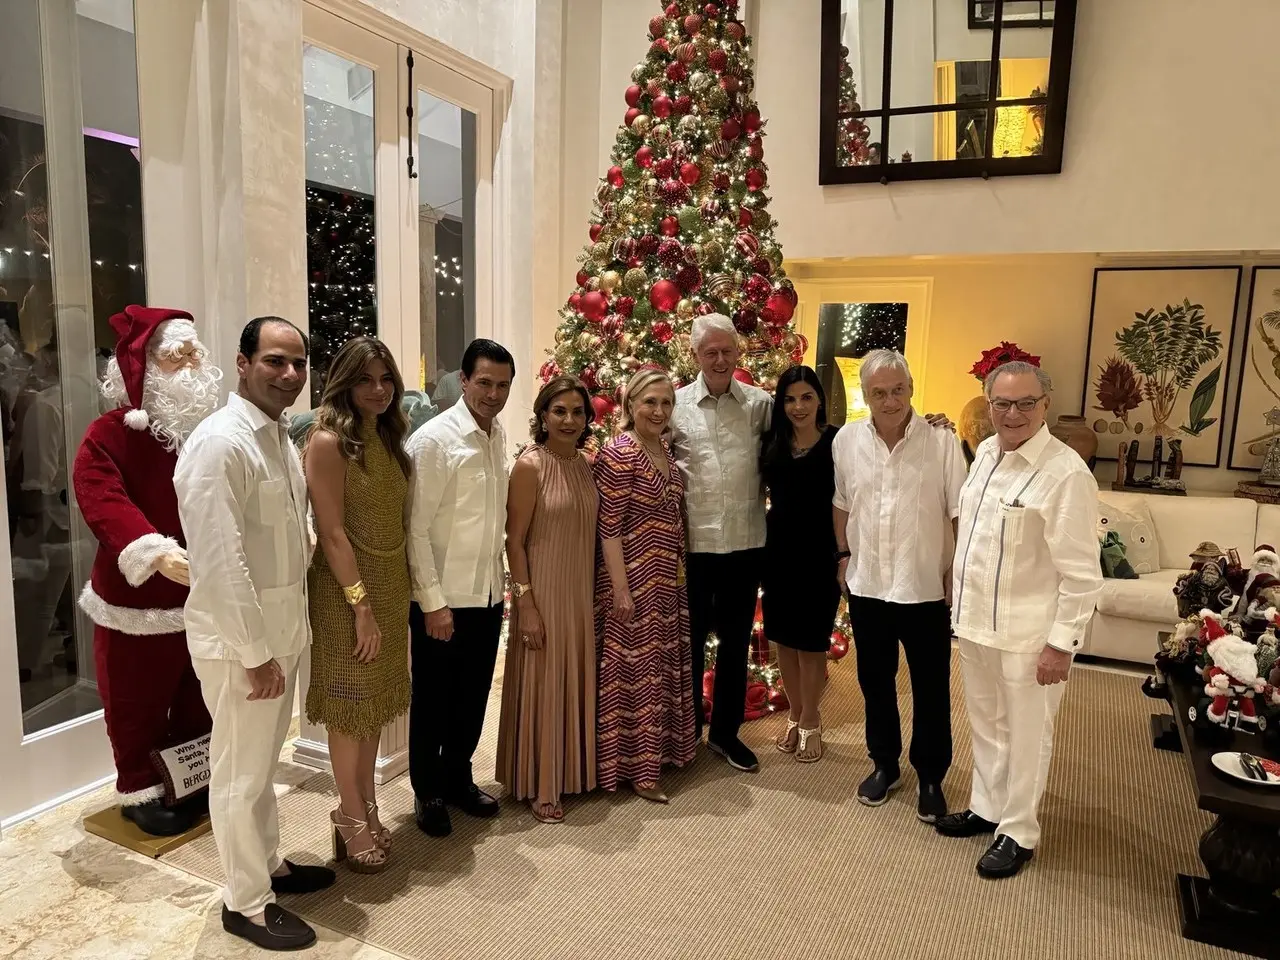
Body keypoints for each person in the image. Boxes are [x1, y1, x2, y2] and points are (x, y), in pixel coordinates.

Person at [174, 317, 334, 951]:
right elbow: (218, 561)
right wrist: (255, 652)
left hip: (281, 632)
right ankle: (244, 902)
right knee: (239, 772)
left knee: (262, 765)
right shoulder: (219, 443)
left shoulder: (277, 437)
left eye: (297, 363)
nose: (289, 375)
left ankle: (267, 865)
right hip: (243, 644)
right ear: (242, 364)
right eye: (274, 361)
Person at [937, 360, 1102, 879]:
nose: (1013, 413)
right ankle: (988, 807)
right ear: (989, 406)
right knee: (986, 725)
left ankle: (1019, 830)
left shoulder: (1066, 473)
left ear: (1044, 406)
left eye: (1025, 403)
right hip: (975, 625)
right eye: (1003, 403)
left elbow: (1082, 574)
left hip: (1029, 635)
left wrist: (1062, 644)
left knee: (1029, 733)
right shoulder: (984, 453)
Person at [72, 306, 222, 836]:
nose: (189, 365)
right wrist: (153, 551)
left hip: (199, 593)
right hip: (135, 601)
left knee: (194, 694)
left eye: (194, 355)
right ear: (143, 367)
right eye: (175, 356)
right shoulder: (110, 434)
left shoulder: (209, 433)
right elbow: (102, 497)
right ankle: (139, 788)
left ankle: (188, 781)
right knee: (136, 698)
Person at [832, 349, 966, 821]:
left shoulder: (944, 442)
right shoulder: (846, 440)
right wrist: (844, 557)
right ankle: (884, 764)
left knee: (931, 687)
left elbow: (959, 512)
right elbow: (843, 503)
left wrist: (955, 577)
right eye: (879, 393)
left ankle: (930, 775)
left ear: (911, 388)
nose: (890, 401)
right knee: (874, 682)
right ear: (865, 395)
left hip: (924, 587)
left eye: (898, 390)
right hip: (868, 584)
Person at [304, 336, 413, 873]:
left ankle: (365, 804)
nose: (378, 389)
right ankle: (349, 816)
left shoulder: (391, 437)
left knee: (371, 710)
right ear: (344, 381)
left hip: (391, 588)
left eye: (386, 378)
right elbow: (332, 533)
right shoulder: (327, 441)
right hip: (347, 596)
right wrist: (360, 607)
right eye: (366, 379)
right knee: (348, 710)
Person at [406, 338, 514, 836]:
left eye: (502, 385)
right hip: (444, 601)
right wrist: (432, 602)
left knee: (472, 698)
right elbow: (416, 528)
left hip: (487, 595)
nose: (493, 393)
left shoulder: (496, 435)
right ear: (464, 381)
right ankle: (427, 792)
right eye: (484, 382)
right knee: (434, 700)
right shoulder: (434, 440)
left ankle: (458, 777)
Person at [670, 313, 771, 773]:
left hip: (746, 544)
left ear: (738, 353)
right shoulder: (672, 405)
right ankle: (687, 732)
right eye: (710, 351)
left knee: (735, 644)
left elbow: (806, 439)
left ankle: (726, 734)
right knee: (688, 643)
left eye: (727, 350)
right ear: (695, 355)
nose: (719, 359)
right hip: (693, 548)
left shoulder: (760, 405)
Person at [495, 376, 599, 823]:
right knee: (545, 682)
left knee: (572, 677)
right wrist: (527, 604)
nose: (569, 420)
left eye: (578, 412)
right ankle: (542, 784)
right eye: (560, 411)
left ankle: (570, 773)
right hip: (542, 591)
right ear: (543, 415)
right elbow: (513, 542)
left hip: (580, 591)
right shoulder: (529, 465)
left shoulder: (586, 463)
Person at [595, 368, 696, 802]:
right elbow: (608, 527)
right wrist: (620, 589)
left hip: (665, 581)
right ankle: (635, 769)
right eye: (649, 402)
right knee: (633, 672)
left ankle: (659, 754)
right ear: (630, 405)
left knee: (657, 668)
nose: (658, 411)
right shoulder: (620, 453)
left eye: (666, 403)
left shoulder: (662, 448)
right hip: (631, 580)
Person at [759, 366, 840, 763]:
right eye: (790, 399)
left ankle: (811, 717)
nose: (798, 406)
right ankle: (794, 713)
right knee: (784, 641)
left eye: (806, 397)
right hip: (777, 552)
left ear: (819, 400)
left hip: (820, 553)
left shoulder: (838, 441)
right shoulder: (771, 443)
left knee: (811, 642)